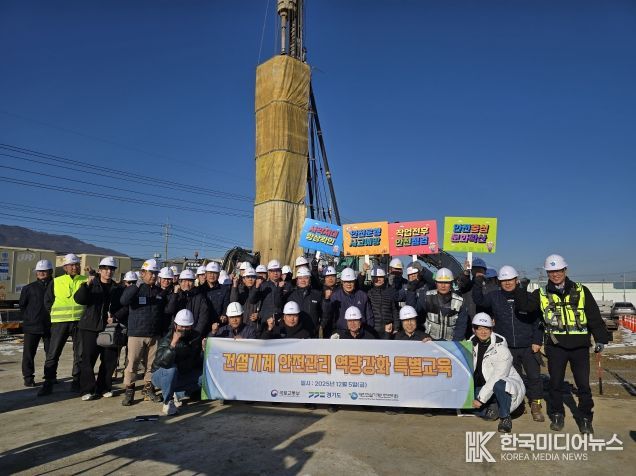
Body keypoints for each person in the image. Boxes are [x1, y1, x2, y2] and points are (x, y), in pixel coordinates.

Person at [516, 254, 608, 434]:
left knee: (583, 385)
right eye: (551, 271)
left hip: (580, 347)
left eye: (558, 270)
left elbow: (594, 316)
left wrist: (601, 339)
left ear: (565, 270)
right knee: (555, 384)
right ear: (547, 273)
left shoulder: (581, 290)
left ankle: (585, 418)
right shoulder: (541, 293)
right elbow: (524, 307)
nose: (555, 274)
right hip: (556, 347)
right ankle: (557, 414)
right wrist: (521, 288)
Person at [472, 265, 545, 422]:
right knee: (513, 379)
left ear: (516, 280)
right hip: (507, 347)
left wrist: (537, 340)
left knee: (534, 377)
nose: (507, 283)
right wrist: (477, 282)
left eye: (510, 280)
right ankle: (519, 403)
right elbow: (479, 300)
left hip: (528, 345)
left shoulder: (527, 297)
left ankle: (536, 404)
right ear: (499, 282)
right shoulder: (495, 297)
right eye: (504, 280)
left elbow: (538, 321)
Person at [119, 258, 170, 406]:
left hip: (154, 334)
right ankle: (129, 391)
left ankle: (148, 389)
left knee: (151, 365)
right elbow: (124, 301)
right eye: (150, 272)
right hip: (136, 334)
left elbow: (163, 311)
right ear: (142, 273)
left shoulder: (158, 291)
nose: (153, 276)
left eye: (155, 273)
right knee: (132, 364)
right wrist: (136, 286)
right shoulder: (135, 289)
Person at [74, 257, 123, 401]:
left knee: (109, 359)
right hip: (90, 326)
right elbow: (79, 299)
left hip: (109, 329)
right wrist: (86, 285)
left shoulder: (117, 288)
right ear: (100, 270)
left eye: (111, 269)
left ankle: (104, 387)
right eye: (105, 269)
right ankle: (87, 389)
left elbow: (123, 307)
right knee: (88, 359)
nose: (109, 272)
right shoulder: (92, 284)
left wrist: (115, 317)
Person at [39, 253, 87, 396]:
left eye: (76, 264)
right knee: (53, 353)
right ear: (65, 267)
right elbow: (48, 301)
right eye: (71, 265)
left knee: (80, 354)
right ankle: (48, 382)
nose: (74, 267)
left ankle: (76, 381)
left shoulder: (85, 280)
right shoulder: (56, 281)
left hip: (79, 321)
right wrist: (54, 314)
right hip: (60, 323)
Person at [469, 313, 525, 433]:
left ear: (491, 329)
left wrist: (481, 399)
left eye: (486, 328)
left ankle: (505, 418)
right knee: (464, 402)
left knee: (499, 384)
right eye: (479, 328)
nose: (483, 332)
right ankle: (493, 407)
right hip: (484, 386)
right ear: (474, 329)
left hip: (505, 386)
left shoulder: (501, 349)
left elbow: (496, 377)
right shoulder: (470, 345)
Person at [151, 309, 202, 416]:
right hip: (161, 375)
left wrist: (203, 351)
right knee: (171, 369)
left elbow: (196, 361)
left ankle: (178, 394)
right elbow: (162, 363)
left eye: (187, 326)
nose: (184, 329)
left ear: (191, 326)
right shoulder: (167, 339)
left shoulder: (196, 338)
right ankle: (167, 402)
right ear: (175, 325)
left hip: (182, 374)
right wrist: (172, 345)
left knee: (204, 377)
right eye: (181, 326)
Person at [20, 259, 53, 387]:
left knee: (51, 354)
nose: (41, 273)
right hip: (32, 326)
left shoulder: (56, 286)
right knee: (28, 354)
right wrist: (30, 318)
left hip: (50, 326)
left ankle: (50, 377)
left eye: (44, 271)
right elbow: (22, 305)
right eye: (39, 271)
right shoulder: (29, 288)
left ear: (50, 271)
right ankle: (28, 378)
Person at [417, 268, 468, 341]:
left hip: (451, 342)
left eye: (446, 282)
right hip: (430, 341)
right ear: (435, 283)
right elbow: (418, 319)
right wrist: (423, 336)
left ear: (451, 283)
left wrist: (454, 343)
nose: (443, 286)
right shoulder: (427, 297)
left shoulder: (460, 302)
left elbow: (461, 326)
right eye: (440, 282)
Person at [286, 267, 331, 337]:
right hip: (296, 333)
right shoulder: (291, 296)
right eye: (300, 278)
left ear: (310, 279)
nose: (303, 280)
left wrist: (321, 325)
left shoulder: (317, 294)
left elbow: (325, 313)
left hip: (313, 333)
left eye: (306, 278)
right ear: (297, 280)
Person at [165, 269, 209, 338]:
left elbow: (203, 318)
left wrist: (196, 334)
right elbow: (169, 311)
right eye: (184, 281)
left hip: (193, 334)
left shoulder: (200, 297)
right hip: (176, 333)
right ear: (180, 282)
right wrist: (175, 294)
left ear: (194, 282)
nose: (187, 284)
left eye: (190, 281)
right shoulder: (175, 295)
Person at [329, 268, 374, 333]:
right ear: (342, 282)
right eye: (346, 281)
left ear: (354, 281)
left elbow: (369, 317)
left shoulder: (363, 296)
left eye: (351, 281)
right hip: (341, 332)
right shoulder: (335, 297)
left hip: (361, 333)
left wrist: (369, 332)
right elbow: (331, 317)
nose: (348, 284)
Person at [366, 267, 399, 339]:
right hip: (373, 329)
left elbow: (395, 310)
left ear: (384, 278)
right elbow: (358, 285)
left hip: (388, 329)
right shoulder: (368, 291)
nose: (378, 279)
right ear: (372, 279)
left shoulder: (390, 292)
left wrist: (396, 327)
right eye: (375, 277)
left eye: (381, 277)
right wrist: (362, 273)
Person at [202, 261, 230, 328]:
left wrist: (224, 315)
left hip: (218, 325)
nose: (212, 275)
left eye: (215, 273)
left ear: (219, 274)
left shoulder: (224, 290)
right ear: (205, 274)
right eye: (210, 273)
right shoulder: (199, 290)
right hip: (202, 326)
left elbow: (226, 306)